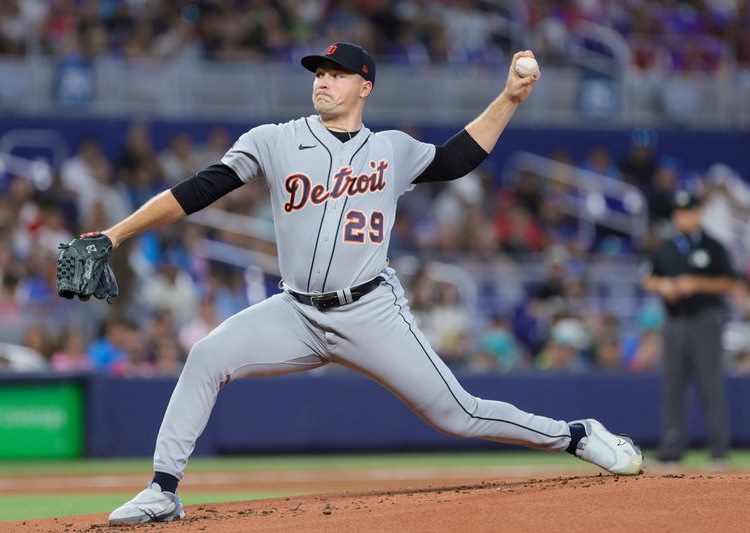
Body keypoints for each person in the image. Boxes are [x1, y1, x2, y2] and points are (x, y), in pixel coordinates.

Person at [101, 42, 643, 525]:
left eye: (336, 73)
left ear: (365, 87)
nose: (323, 79)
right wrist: (116, 233)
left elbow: (457, 159)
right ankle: (163, 490)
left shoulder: (392, 150)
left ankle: (575, 434)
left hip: (370, 312)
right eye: (318, 71)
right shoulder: (274, 140)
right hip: (295, 312)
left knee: (459, 415)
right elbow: (200, 189)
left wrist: (509, 99)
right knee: (206, 356)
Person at [643, 191, 735, 465]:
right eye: (679, 212)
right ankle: (672, 450)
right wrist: (663, 286)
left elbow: (728, 282)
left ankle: (719, 450)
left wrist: (695, 283)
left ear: (699, 213)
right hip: (674, 322)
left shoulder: (714, 246)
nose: (682, 217)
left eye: (688, 211)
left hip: (705, 321)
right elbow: (649, 278)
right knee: (673, 387)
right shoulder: (667, 247)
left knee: (711, 386)